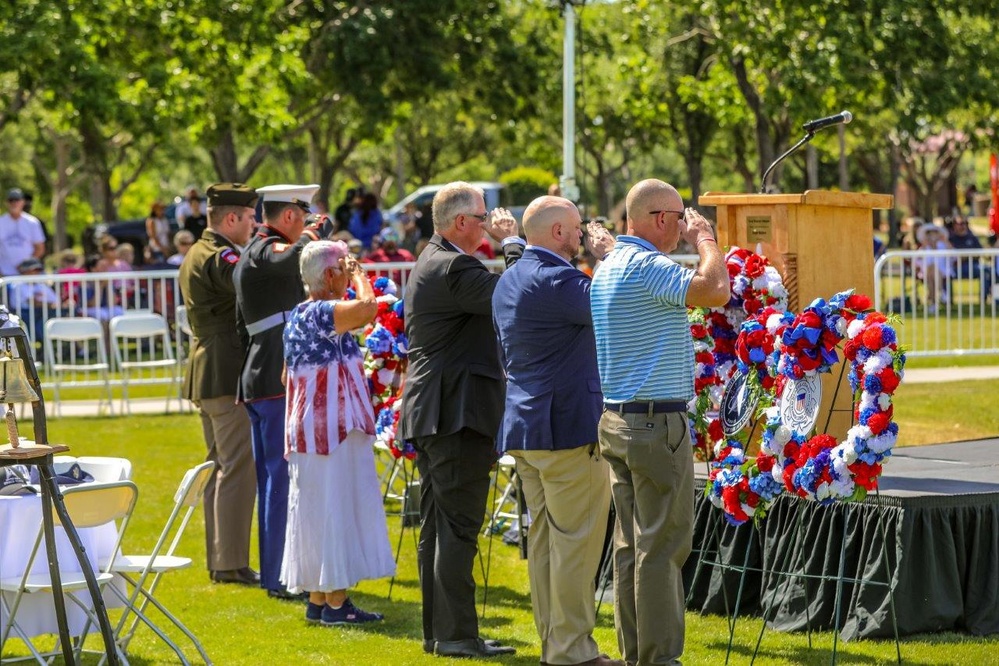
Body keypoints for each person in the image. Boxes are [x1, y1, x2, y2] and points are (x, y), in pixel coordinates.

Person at [590, 178, 729, 666]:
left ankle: (637, 653)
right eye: (680, 216)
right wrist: (706, 241)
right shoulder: (648, 264)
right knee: (662, 548)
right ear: (659, 220)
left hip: (618, 421)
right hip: (654, 424)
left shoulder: (608, 266)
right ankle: (658, 658)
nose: (684, 224)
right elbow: (715, 290)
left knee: (632, 548)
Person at [492, 196, 621, 666]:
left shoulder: (509, 278)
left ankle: (556, 645)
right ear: (559, 233)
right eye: (577, 227)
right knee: (576, 547)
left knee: (547, 545)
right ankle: (571, 651)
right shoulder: (559, 278)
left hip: (527, 427)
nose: (582, 233)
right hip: (566, 428)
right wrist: (611, 254)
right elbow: (611, 309)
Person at [398, 181, 523, 659]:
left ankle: (444, 632)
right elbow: (511, 296)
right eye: (483, 216)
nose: (490, 222)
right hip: (454, 414)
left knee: (440, 528)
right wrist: (514, 245)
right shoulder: (452, 265)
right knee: (457, 530)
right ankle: (454, 636)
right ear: (460, 224)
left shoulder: (436, 259)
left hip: (440, 410)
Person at [281, 240, 395, 626]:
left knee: (317, 512)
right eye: (344, 270)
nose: (349, 276)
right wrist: (364, 277)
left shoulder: (298, 316)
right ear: (329, 276)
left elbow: (287, 376)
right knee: (336, 510)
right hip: (331, 431)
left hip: (309, 432)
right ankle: (336, 604)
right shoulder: (323, 312)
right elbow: (368, 308)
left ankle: (318, 599)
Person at [233, 183, 335, 600]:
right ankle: (279, 576)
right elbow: (287, 260)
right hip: (272, 380)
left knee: (274, 479)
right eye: (303, 217)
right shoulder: (263, 249)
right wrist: (314, 235)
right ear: (290, 216)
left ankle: (278, 571)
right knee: (280, 478)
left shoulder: (256, 250)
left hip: (262, 377)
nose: (307, 226)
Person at [178, 183, 260, 587]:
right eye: (250, 218)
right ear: (232, 219)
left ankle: (223, 559)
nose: (255, 225)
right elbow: (249, 282)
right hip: (224, 370)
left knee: (219, 466)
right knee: (237, 469)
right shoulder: (219, 255)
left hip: (211, 368)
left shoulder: (199, 251)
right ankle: (230, 563)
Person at [0, 188, 46, 277]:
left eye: (17, 200)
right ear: (6, 203)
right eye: (11, 200)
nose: (14, 203)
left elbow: (40, 248)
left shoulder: (32, 222)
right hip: (5, 274)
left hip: (27, 274)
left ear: (23, 202)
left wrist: (27, 266)